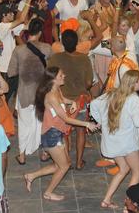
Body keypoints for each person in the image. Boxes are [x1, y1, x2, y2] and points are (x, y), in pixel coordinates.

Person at [23, 67, 98, 201]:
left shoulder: (57, 89)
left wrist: (73, 102)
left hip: (57, 133)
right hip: (51, 135)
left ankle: (31, 176)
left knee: (61, 164)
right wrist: (87, 124)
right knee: (64, 166)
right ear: (53, 79)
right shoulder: (50, 96)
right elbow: (66, 118)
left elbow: (64, 100)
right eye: (61, 75)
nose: (64, 76)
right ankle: (48, 193)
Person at [90, 70, 139, 208]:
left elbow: (93, 105)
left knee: (123, 169)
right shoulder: (133, 99)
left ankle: (106, 200)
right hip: (127, 144)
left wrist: (101, 122)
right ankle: (129, 206)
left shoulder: (111, 93)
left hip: (112, 143)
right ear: (134, 83)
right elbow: (138, 123)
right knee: (137, 171)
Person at [46, 30, 94, 170]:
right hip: (80, 100)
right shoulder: (84, 59)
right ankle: (79, 162)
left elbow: (49, 77)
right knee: (81, 130)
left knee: (64, 131)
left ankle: (66, 161)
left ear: (62, 43)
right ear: (77, 43)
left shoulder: (55, 59)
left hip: (62, 100)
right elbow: (89, 83)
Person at [8, 18, 51, 165]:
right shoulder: (47, 48)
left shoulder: (18, 50)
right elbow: (51, 71)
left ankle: (21, 155)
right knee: (43, 123)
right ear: (40, 32)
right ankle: (45, 152)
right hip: (42, 92)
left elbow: (11, 73)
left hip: (24, 92)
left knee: (24, 124)